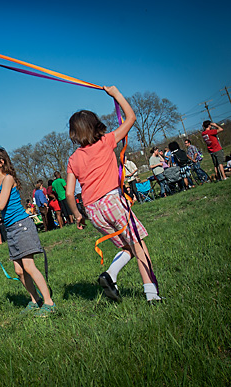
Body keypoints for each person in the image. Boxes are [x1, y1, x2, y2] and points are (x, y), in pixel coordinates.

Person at [65, 86, 161, 304]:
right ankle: (152, 295)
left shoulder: (73, 159)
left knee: (126, 247)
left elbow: (70, 194)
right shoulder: (106, 141)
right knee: (139, 246)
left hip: (92, 210)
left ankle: (110, 274)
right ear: (95, 125)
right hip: (112, 201)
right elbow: (131, 117)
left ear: (74, 134)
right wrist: (116, 95)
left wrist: (77, 215)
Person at [0, 148, 55, 317]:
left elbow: (1, 205)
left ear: (0, 162)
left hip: (22, 225)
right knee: (19, 271)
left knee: (29, 267)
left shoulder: (7, 179)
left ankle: (49, 302)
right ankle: (35, 299)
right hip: (11, 229)